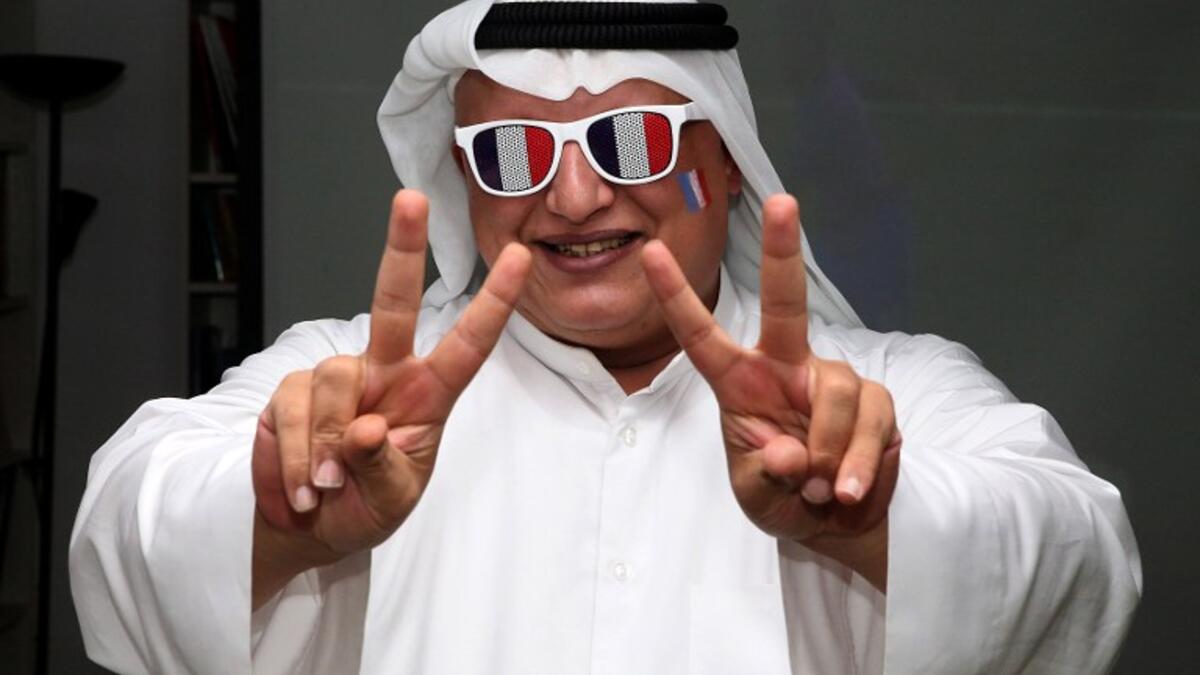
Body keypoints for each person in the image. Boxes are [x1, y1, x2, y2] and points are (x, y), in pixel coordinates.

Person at [69, 1, 1141, 673]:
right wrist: (288, 520)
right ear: (467, 186)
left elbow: (1083, 559)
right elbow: (123, 522)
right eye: (513, 153)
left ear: (726, 167)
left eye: (632, 142)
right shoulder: (344, 394)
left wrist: (868, 514)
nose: (575, 197)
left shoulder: (888, 390)